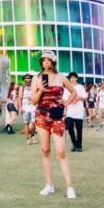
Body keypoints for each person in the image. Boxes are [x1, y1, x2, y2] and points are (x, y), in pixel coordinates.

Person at [29, 51, 80, 198]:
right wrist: (40, 90)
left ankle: (70, 187)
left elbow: (73, 92)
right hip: (41, 117)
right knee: (45, 150)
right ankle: (49, 184)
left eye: (48, 60)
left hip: (57, 117)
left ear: (53, 62)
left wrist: (65, 104)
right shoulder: (36, 78)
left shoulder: (61, 77)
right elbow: (33, 101)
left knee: (61, 151)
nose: (46, 63)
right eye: (43, 60)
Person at [63, 72, 86, 152]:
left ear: (76, 78)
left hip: (79, 111)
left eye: (74, 77)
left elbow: (85, 97)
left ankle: (79, 146)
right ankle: (74, 143)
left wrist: (79, 98)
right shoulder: (66, 88)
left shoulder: (80, 87)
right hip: (70, 111)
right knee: (69, 126)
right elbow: (64, 99)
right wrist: (70, 99)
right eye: (71, 77)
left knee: (79, 129)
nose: (72, 79)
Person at [19, 74, 37, 145]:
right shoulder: (22, 87)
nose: (27, 79)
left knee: (33, 124)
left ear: (31, 79)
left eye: (29, 78)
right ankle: (28, 138)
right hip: (25, 107)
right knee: (26, 123)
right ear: (24, 79)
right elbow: (20, 98)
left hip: (33, 106)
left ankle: (32, 135)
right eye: (26, 78)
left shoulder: (34, 87)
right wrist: (20, 107)